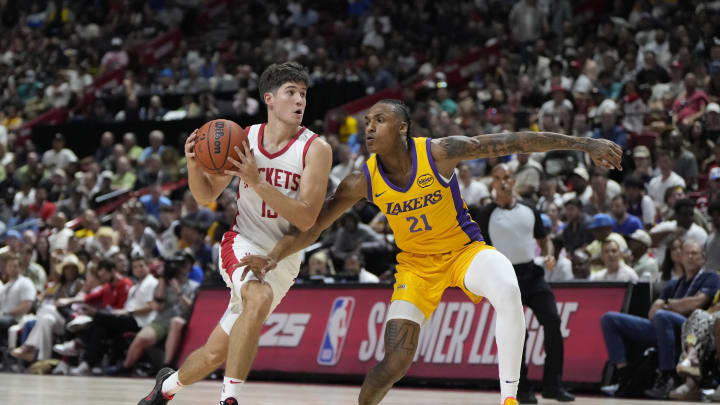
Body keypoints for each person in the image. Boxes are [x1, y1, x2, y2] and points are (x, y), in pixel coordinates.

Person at [238, 99, 622, 405]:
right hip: (415, 270)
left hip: (463, 252)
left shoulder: (439, 153)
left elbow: (514, 140)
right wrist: (272, 256)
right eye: (367, 121)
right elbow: (315, 226)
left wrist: (583, 143)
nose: (369, 127)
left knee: (507, 289)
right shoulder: (362, 180)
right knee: (393, 364)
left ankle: (509, 398)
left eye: (380, 120)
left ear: (402, 128)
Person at [138, 61, 333, 405]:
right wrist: (193, 164)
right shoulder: (246, 138)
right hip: (242, 242)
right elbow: (206, 197)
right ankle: (229, 400)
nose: (300, 101)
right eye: (291, 93)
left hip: (284, 257)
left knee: (215, 353)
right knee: (257, 297)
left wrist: (257, 181)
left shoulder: (316, 149)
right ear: (269, 99)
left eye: (303, 94)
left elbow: (306, 219)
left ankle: (165, 389)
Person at [476, 163, 575, 402]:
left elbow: (544, 239)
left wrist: (549, 253)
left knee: (552, 321)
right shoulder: (486, 214)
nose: (503, 181)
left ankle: (553, 385)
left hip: (532, 274)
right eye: (497, 178)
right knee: (517, 332)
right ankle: (522, 389)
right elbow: (480, 250)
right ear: (493, 184)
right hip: (505, 278)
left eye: (507, 177)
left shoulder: (529, 209)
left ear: (513, 181)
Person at [600, 240, 719, 399]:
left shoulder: (710, 277)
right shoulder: (673, 283)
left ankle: (666, 376)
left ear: (703, 258)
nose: (690, 257)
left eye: (694, 254)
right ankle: (623, 375)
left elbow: (697, 303)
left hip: (690, 330)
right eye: (687, 253)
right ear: (680, 257)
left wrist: (668, 305)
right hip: (661, 327)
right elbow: (652, 311)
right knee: (609, 319)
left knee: (663, 316)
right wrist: (676, 306)